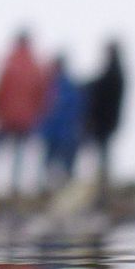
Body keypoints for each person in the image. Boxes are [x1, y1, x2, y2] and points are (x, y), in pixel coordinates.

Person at [0, 31, 49, 194]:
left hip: (7, 117)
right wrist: (38, 112)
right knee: (21, 151)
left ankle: (1, 184)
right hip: (27, 118)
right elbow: (42, 92)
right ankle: (17, 184)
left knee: (4, 149)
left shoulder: (8, 62)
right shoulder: (35, 64)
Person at [84, 40, 127, 209]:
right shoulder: (116, 72)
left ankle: (102, 193)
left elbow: (102, 92)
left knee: (103, 157)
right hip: (107, 122)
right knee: (102, 156)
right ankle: (102, 192)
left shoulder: (113, 73)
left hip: (103, 122)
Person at [38, 55, 84, 189]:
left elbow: (75, 109)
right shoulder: (50, 85)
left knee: (60, 161)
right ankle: (51, 186)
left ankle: (62, 186)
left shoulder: (63, 86)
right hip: (54, 131)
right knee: (51, 161)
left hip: (62, 131)